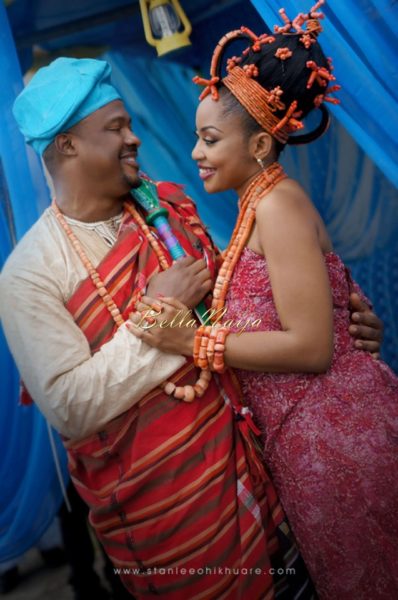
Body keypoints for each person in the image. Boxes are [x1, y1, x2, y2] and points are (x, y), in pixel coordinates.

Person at [0, 55, 382, 597]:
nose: (134, 139)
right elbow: (68, 405)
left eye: (131, 124)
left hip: (270, 481)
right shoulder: (29, 276)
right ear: (67, 146)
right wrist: (161, 320)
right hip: (173, 521)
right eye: (115, 128)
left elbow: (237, 305)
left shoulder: (168, 207)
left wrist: (339, 323)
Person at [126, 4, 398, 600]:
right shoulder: (256, 209)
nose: (195, 152)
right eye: (198, 137)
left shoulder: (280, 206)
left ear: (258, 145)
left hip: (338, 440)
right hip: (307, 445)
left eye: (209, 138)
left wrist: (191, 341)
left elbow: (311, 347)